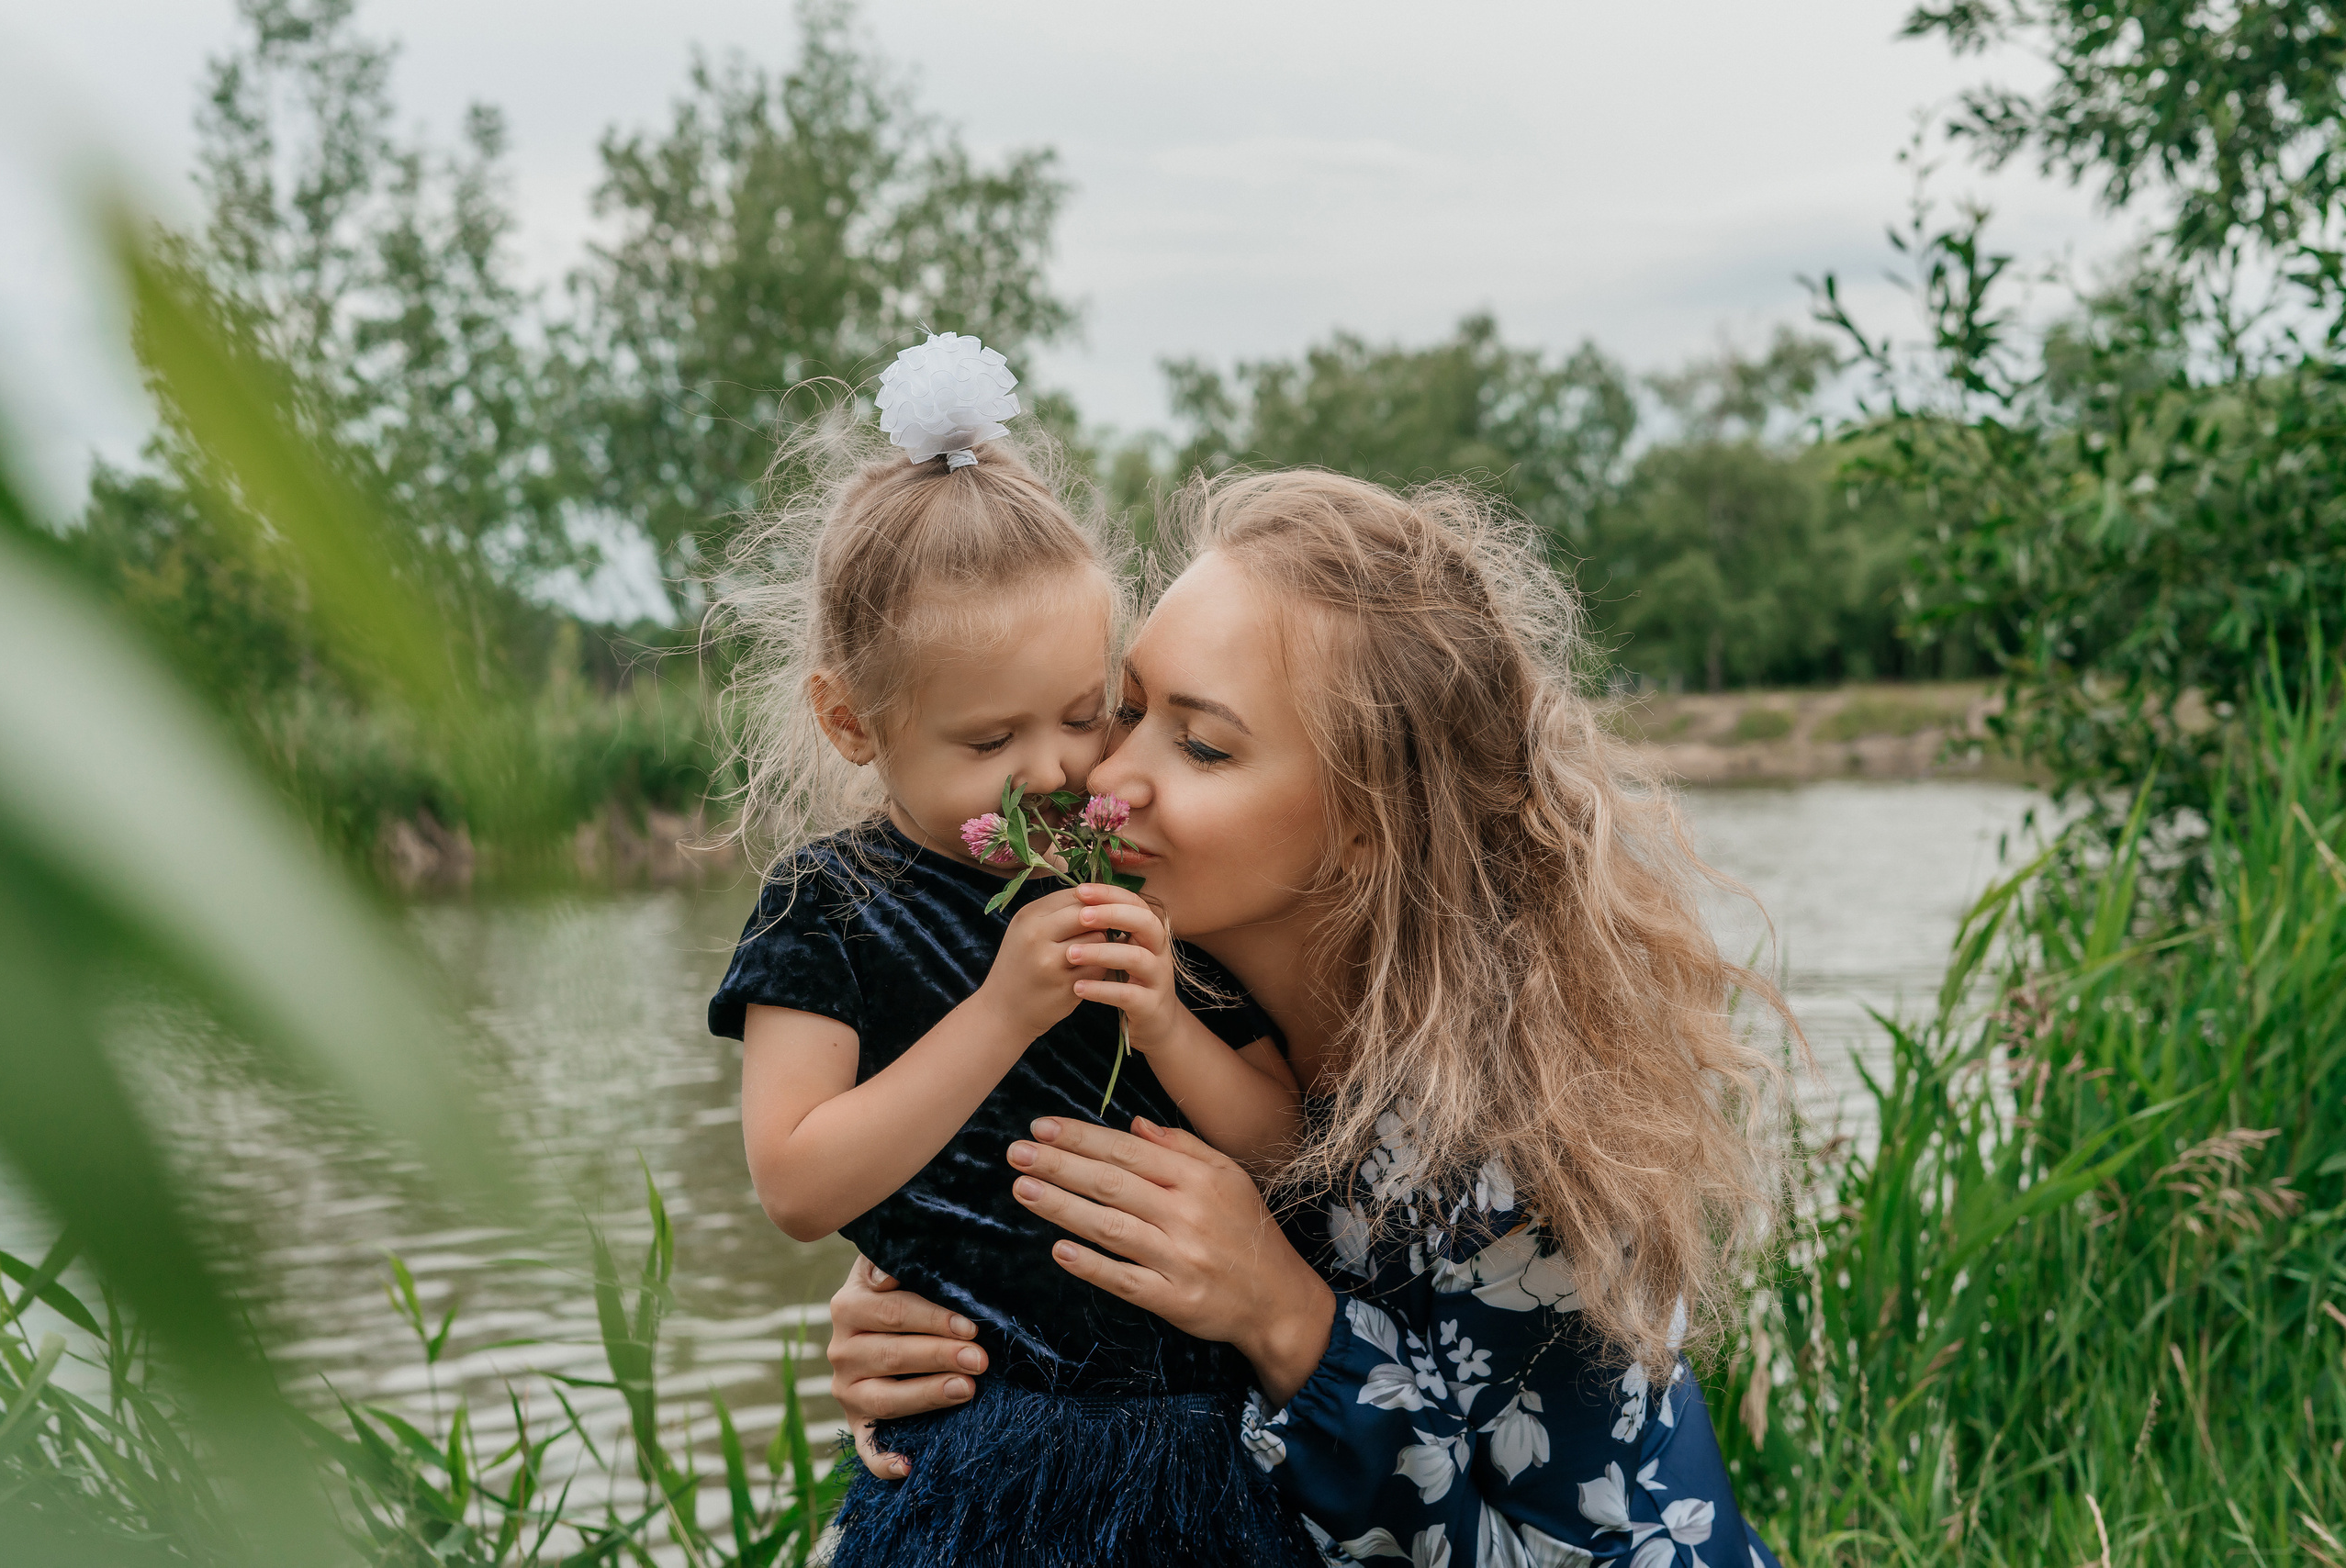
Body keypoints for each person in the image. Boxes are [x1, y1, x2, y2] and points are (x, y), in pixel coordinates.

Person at [825, 469, 1800, 1566]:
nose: (1109, 775)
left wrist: (1286, 1320)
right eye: (1127, 707)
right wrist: (936, 1323)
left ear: (1365, 828)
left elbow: (1572, 1553)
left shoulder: (1510, 1155)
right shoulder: (1112, 995)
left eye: (1200, 746)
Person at [703, 336, 1313, 1568]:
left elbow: (1287, 1149)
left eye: (1086, 714)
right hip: (982, 1444)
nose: (1053, 769)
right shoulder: (827, 905)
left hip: (1200, 1445)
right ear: (851, 721)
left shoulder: (1128, 869)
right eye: (989, 739)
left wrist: (1165, 1023)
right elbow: (797, 1185)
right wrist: (1003, 1012)